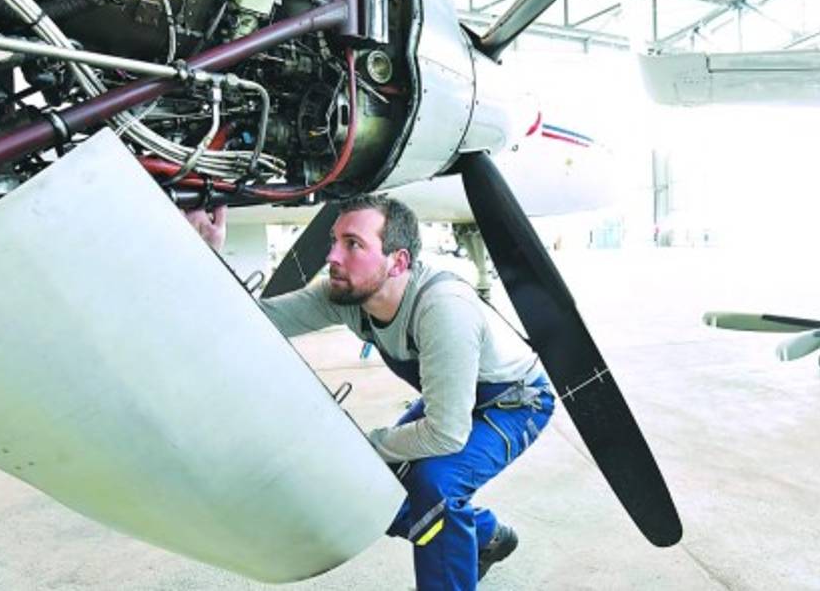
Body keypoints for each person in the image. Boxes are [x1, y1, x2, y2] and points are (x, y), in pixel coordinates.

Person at [189, 195, 554, 590]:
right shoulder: (346, 297)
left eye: (353, 244)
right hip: (453, 402)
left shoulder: (444, 310)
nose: (332, 256)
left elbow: (446, 433)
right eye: (334, 241)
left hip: (514, 403)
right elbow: (254, 321)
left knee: (436, 487)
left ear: (397, 261)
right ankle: (484, 536)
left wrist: (365, 446)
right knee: (371, 484)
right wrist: (203, 253)